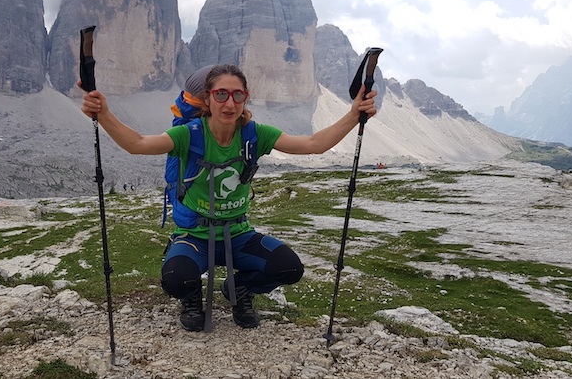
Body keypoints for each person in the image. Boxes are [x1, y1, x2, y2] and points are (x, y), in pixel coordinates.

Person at [80, 64, 378, 331]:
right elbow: (138, 143)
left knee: (289, 268)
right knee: (176, 279)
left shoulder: (254, 134)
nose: (230, 102)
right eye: (221, 94)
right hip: (194, 235)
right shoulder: (189, 134)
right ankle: (191, 297)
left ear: (245, 98)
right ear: (207, 99)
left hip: (238, 233)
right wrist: (104, 113)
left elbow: (314, 144)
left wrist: (354, 115)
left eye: (238, 95)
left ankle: (239, 289)